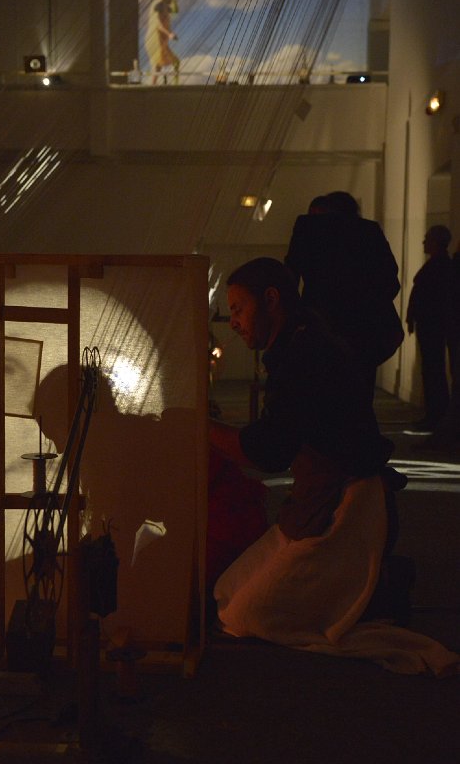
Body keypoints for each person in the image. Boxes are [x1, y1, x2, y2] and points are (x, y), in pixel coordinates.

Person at [208, 257, 460, 677]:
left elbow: (269, 451)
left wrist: (203, 427)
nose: (232, 322)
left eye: (238, 309)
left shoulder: (305, 353)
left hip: (347, 509)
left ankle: (377, 589)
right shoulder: (303, 342)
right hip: (318, 502)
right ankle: (370, 588)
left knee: (245, 616)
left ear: (271, 299)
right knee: (226, 593)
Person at [285, 191, 404, 403]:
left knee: (320, 393)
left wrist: (293, 317)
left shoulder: (308, 228)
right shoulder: (368, 231)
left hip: (319, 323)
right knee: (360, 393)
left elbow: (290, 276)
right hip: (363, 330)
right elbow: (389, 280)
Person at [405, 225, 456, 432]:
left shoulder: (440, 266)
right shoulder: (440, 265)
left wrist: (413, 316)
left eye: (427, 239)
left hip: (433, 326)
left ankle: (436, 414)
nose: (424, 242)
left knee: (433, 370)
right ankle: (434, 413)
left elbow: (429, 296)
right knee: (432, 369)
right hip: (431, 325)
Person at [145, 0, 180, 85]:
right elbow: (157, 23)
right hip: (155, 37)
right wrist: (169, 34)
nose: (171, 0)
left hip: (160, 38)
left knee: (160, 64)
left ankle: (155, 85)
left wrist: (174, 0)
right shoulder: (159, 4)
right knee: (159, 62)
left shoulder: (164, 5)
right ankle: (174, 85)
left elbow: (175, 11)